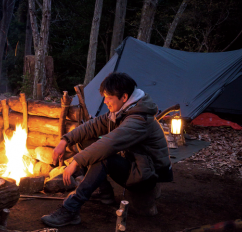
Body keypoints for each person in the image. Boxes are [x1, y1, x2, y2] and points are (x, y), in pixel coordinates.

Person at [41, 72, 172, 227]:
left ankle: (70, 209)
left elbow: (109, 144)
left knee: (104, 158)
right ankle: (104, 194)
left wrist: (76, 161)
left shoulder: (139, 119)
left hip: (148, 175)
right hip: (137, 165)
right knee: (86, 141)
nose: (105, 102)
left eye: (109, 97)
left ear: (124, 97)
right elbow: (93, 126)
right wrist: (65, 140)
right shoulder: (123, 111)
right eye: (105, 96)